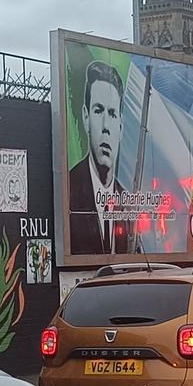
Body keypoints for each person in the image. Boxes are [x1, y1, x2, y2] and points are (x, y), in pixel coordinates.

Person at [66, 59, 133, 255]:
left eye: (112, 113)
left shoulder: (129, 204)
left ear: (120, 126)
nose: (105, 126)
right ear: (86, 117)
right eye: (98, 111)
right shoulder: (69, 190)